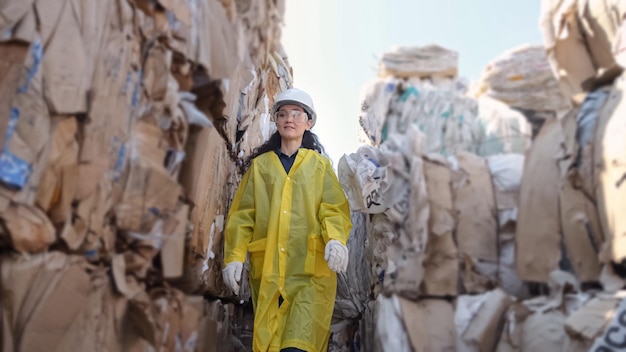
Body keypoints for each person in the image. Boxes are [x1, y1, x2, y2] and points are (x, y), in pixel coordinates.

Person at [222, 88, 352, 352]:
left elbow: (333, 207)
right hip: (269, 273)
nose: (289, 119)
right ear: (276, 121)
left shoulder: (319, 165)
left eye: (296, 114)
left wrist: (336, 240)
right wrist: (234, 256)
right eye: (283, 114)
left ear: (308, 122)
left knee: (298, 344)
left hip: (310, 274)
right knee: (271, 343)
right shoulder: (260, 166)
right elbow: (243, 214)